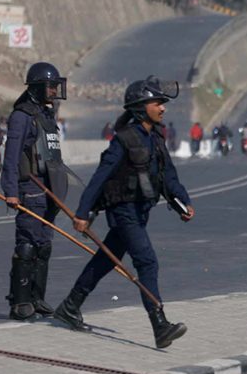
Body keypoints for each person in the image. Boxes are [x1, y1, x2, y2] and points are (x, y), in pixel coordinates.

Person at [53, 76, 194, 349]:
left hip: (140, 212)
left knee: (105, 260)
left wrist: (184, 203)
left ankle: (70, 306)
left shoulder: (156, 137)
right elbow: (100, 177)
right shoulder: (123, 140)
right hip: (124, 211)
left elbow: (169, 178)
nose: (163, 108)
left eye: (163, 103)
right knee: (147, 262)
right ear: (141, 107)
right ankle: (159, 325)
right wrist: (82, 213)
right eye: (158, 102)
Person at [1, 62, 70, 320]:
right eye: (51, 86)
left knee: (44, 246)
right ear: (38, 87)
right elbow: (11, 156)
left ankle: (37, 298)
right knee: (28, 245)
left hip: (49, 189)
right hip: (30, 188)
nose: (54, 91)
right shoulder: (21, 116)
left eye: (55, 86)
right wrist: (11, 191)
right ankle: (20, 302)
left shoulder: (47, 115)